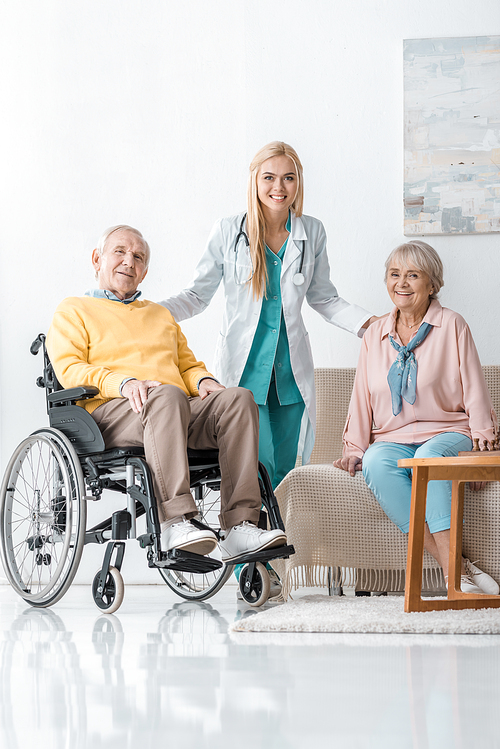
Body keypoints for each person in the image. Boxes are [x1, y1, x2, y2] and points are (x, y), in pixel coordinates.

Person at [46, 224, 287, 563]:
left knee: (238, 398)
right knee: (168, 396)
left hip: (172, 409)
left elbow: (188, 366)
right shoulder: (74, 310)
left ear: (143, 273)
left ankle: (240, 526)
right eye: (120, 252)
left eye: (138, 257)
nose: (129, 261)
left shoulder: (160, 315)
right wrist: (126, 383)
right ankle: (175, 520)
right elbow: (70, 369)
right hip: (111, 413)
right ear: (97, 259)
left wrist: (204, 382)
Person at [160, 141, 377, 490]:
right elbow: (197, 295)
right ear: (254, 180)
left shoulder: (312, 232)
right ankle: (253, 537)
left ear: (298, 182)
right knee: (257, 467)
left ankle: (281, 541)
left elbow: (324, 297)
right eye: (270, 177)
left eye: (288, 178)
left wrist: (368, 324)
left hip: (290, 377)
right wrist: (150, 312)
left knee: (285, 473)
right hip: (244, 375)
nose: (279, 187)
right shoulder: (229, 231)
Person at [334, 240, 499, 595]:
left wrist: (484, 437)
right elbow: (361, 395)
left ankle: (455, 577)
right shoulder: (374, 334)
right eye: (395, 275)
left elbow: (473, 383)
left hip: (449, 431)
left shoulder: (452, 324)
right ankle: (457, 568)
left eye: (413, 275)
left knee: (428, 459)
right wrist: (354, 448)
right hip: (392, 438)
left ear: (432, 284)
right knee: (377, 462)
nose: (402, 283)